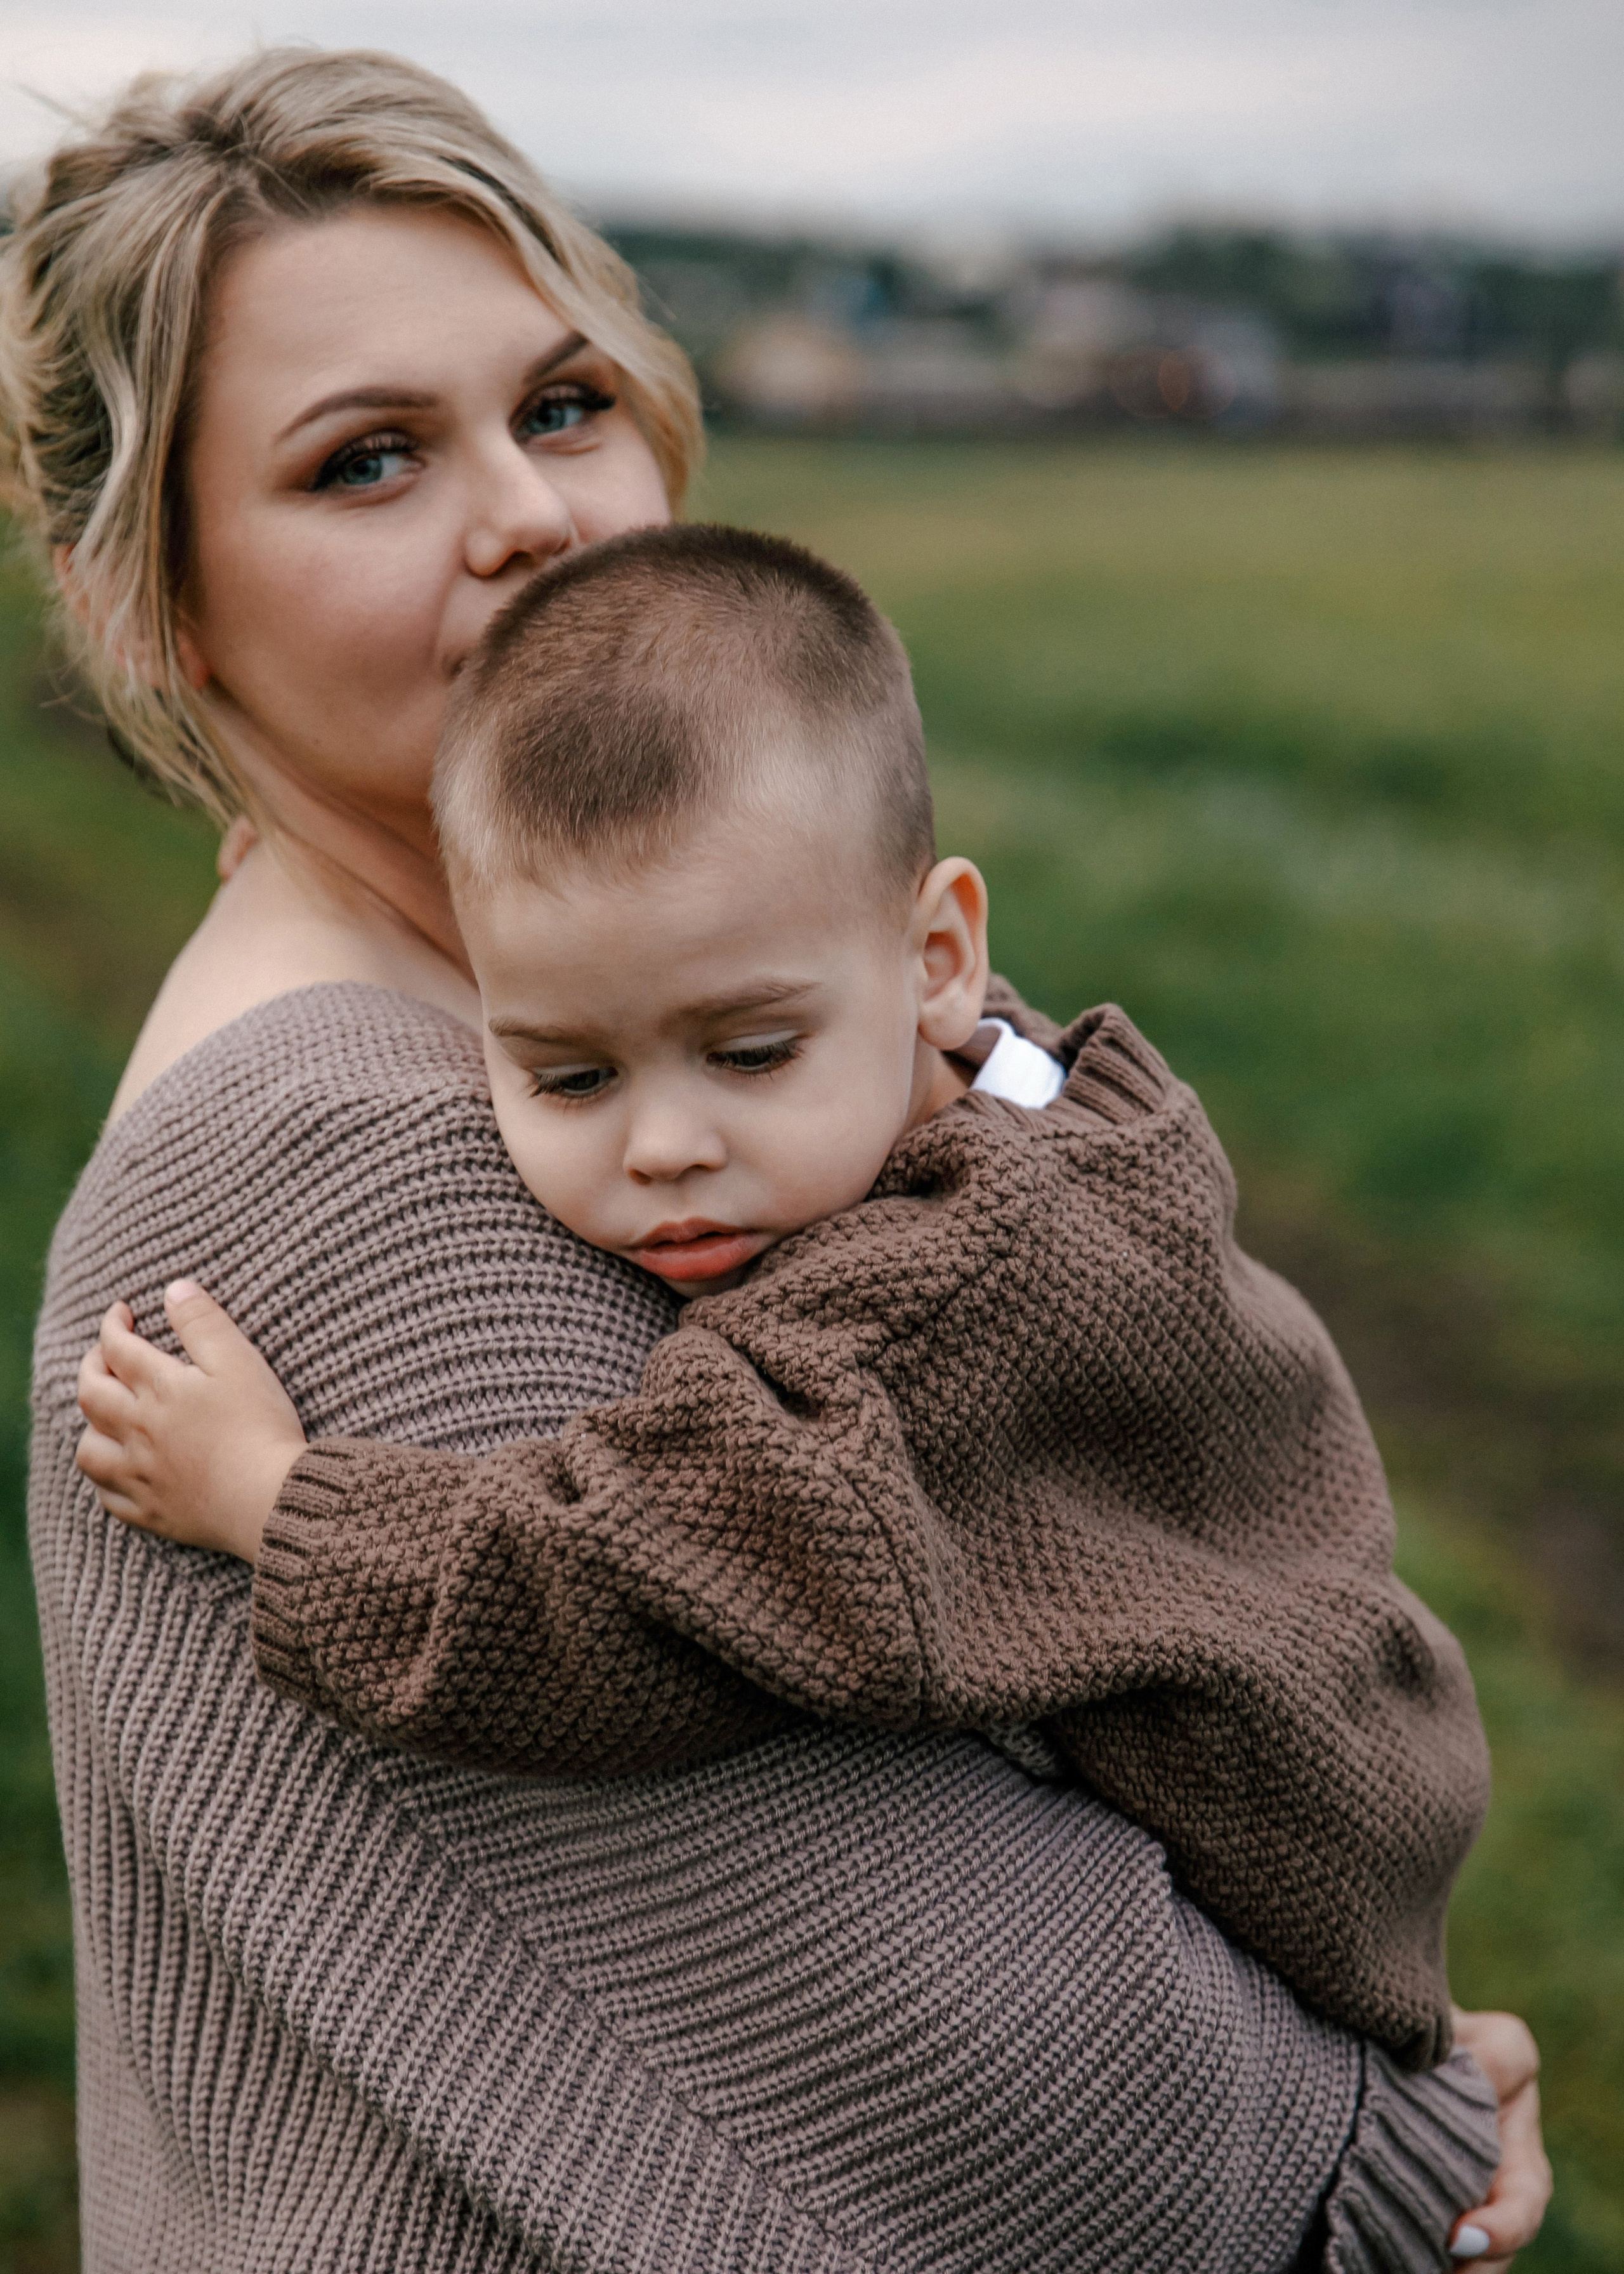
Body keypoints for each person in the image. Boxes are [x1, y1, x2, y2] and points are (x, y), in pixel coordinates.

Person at [3, 44, 1550, 2272]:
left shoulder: (616, 1008)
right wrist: (1382, 2134)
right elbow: (983, 2052)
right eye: (364, 463)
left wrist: (1355, 2013)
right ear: (148, 602)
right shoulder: (326, 1168)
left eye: (560, 405)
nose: (529, 514)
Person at [77, 522, 1490, 2075]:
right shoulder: (1000, 1073)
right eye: (567, 1071)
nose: (668, 1145)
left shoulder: (914, 1329)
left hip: (1289, 1838)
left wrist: (271, 1501)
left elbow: (627, 1596)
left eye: (748, 1052)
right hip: (1359, 1712)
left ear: (935, 952)